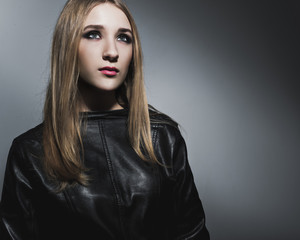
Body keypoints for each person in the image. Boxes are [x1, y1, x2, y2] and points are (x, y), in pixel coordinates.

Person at [0, 0, 209, 239]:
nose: (112, 52)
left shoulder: (162, 138)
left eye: (124, 38)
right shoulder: (30, 152)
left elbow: (192, 234)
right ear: (67, 46)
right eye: (93, 34)